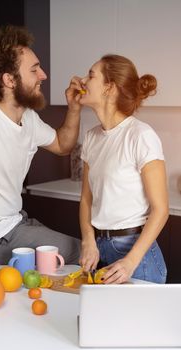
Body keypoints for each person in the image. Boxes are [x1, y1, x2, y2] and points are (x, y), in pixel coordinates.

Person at [0, 25, 82, 265]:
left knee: (78, 257)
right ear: (9, 80)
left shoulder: (28, 118)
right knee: (82, 254)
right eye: (34, 70)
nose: (43, 75)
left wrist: (74, 107)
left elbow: (63, 145)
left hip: (15, 223)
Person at [78, 54, 169, 284]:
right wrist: (88, 240)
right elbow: (86, 199)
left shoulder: (140, 135)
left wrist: (130, 261)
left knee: (139, 321)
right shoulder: (91, 137)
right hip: (100, 250)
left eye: (90, 75)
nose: (82, 81)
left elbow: (161, 210)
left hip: (137, 257)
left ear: (109, 87)